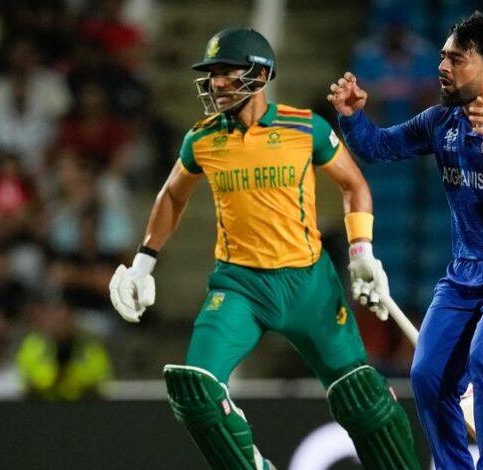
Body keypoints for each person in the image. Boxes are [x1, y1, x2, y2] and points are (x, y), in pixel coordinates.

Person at [108, 27, 420, 470]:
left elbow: (354, 185)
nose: (216, 83)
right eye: (212, 74)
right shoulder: (202, 138)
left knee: (364, 400)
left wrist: (361, 252)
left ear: (260, 74)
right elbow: (172, 195)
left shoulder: (304, 127)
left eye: (226, 72)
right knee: (195, 389)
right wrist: (143, 263)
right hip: (241, 287)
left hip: (309, 284)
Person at [328, 12, 483, 470]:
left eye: (456, 59)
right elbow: (379, 147)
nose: (442, 67)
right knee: (427, 375)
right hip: (465, 275)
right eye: (443, 56)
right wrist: (353, 119)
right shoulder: (443, 120)